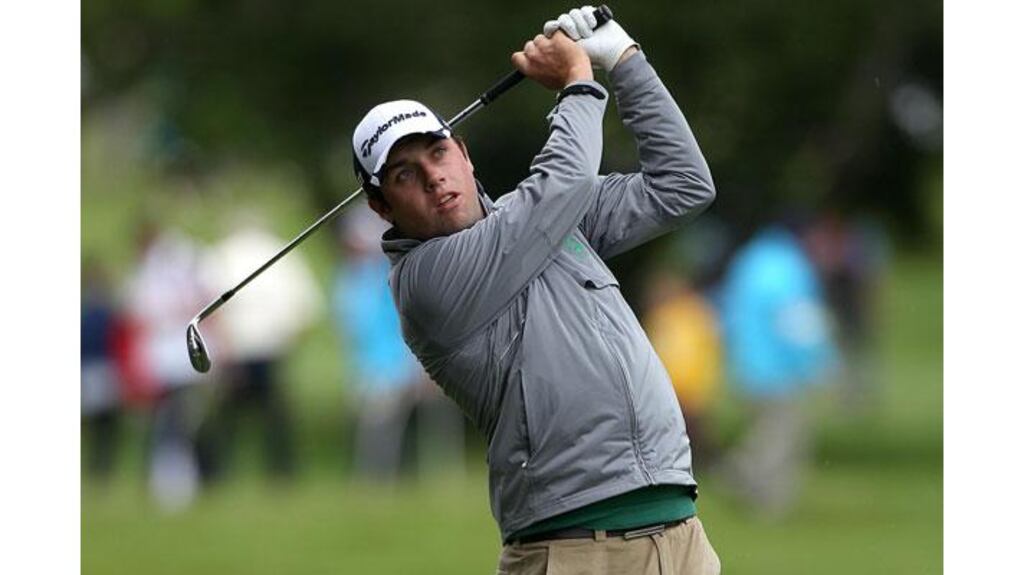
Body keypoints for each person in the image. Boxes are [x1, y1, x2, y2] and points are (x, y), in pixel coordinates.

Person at [351, 7, 719, 574]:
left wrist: (623, 58)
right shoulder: (425, 283)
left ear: (465, 155)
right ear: (381, 207)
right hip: (571, 549)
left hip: (679, 536)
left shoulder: (550, 218)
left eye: (438, 152)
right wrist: (577, 81)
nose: (433, 178)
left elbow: (682, 185)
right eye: (404, 174)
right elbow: (560, 186)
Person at [715, 224, 837, 519]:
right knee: (783, 437)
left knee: (766, 430)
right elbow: (797, 322)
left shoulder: (748, 260)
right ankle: (754, 489)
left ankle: (751, 487)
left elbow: (727, 313)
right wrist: (820, 363)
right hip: (780, 370)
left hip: (746, 366)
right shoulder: (790, 269)